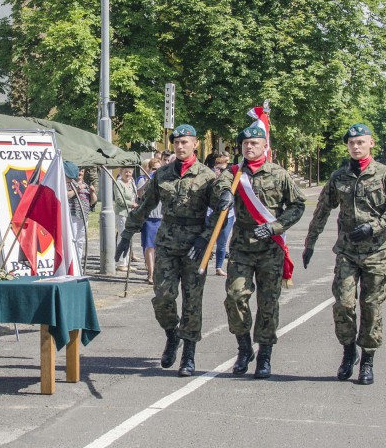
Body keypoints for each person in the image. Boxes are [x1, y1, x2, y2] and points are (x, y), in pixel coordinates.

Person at [115, 125, 226, 376]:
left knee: (192, 300)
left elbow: (221, 212)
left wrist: (205, 239)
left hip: (195, 246)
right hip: (166, 242)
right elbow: (145, 206)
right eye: (177, 142)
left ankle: (188, 354)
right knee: (163, 296)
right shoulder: (162, 174)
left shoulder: (207, 177)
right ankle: (171, 334)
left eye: (185, 142)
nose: (180, 146)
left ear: (195, 144)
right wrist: (127, 233)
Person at [303, 123, 386, 385]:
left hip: (375, 253)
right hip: (347, 252)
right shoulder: (339, 177)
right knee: (344, 304)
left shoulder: (385, 175)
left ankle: (368, 359)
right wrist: (310, 243)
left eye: (361, 142)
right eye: (352, 143)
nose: (356, 147)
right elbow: (322, 210)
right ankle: (348, 351)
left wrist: (373, 227)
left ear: (371, 143)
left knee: (371, 307)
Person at [214, 125, 305, 378]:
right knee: (234, 297)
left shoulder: (279, 174)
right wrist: (223, 196)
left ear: (265, 146)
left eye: (255, 143)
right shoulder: (233, 173)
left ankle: (264, 354)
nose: (249, 147)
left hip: (269, 249)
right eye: (245, 144)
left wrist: (276, 226)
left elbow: (297, 206)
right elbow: (219, 187)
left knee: (268, 303)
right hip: (242, 247)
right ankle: (244, 348)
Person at [137, 158, 163, 284]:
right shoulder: (143, 179)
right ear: (149, 169)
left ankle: (157, 272)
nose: (156, 171)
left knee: (159, 247)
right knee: (149, 247)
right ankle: (151, 273)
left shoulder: (164, 179)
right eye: (154, 169)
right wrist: (149, 180)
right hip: (149, 217)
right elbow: (140, 194)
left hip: (161, 217)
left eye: (159, 169)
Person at [210, 155, 235, 277]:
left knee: (222, 242)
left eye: (224, 169)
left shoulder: (232, 178)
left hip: (228, 215)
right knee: (207, 240)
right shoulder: (210, 179)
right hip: (211, 214)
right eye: (219, 168)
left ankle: (218, 267)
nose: (220, 171)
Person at [64, 161, 90, 273]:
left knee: (80, 241)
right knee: (72, 239)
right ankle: (71, 263)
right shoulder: (65, 183)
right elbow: (66, 195)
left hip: (83, 215)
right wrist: (78, 189)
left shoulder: (82, 183)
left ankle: (78, 262)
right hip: (72, 214)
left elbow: (91, 200)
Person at [112, 167, 138, 270]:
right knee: (123, 237)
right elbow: (119, 200)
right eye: (126, 172)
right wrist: (132, 204)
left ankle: (127, 263)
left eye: (130, 172)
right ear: (121, 172)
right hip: (122, 213)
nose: (128, 174)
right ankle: (121, 263)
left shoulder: (131, 183)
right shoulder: (118, 183)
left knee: (130, 238)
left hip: (131, 213)